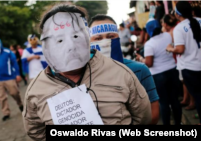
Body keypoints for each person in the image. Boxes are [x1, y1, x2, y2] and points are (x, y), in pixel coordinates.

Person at [23, 4, 151, 140]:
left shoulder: (121, 72)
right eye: (59, 40)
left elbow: (143, 117)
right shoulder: (35, 91)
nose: (70, 46)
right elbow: (36, 131)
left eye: (76, 36)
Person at [89, 14, 160, 125]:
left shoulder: (140, 70)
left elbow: (153, 114)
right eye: (98, 38)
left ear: (118, 37)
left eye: (110, 36)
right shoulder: (83, 76)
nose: (105, 42)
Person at [138, 18, 182, 125]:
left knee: (163, 103)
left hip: (158, 76)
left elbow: (149, 63)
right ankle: (178, 123)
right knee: (175, 100)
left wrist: (140, 59)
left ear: (148, 30)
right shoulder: (168, 35)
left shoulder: (149, 44)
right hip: (172, 71)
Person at [166, 0, 201, 125]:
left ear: (178, 14)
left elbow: (180, 50)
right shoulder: (200, 21)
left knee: (198, 97)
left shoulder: (179, 28)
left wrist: (170, 49)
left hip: (191, 68)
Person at [162, 14, 195, 111]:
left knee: (186, 82)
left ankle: (191, 102)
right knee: (184, 81)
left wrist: (170, 48)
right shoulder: (176, 29)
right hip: (180, 58)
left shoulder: (173, 31)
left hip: (180, 58)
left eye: (163, 23)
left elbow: (176, 48)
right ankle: (186, 99)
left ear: (165, 24)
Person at [0, 37, 23, 121]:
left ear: (0, 43)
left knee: (14, 92)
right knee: (1, 97)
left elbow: (14, 63)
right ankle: (6, 113)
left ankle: (20, 104)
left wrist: (18, 74)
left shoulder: (8, 52)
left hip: (9, 77)